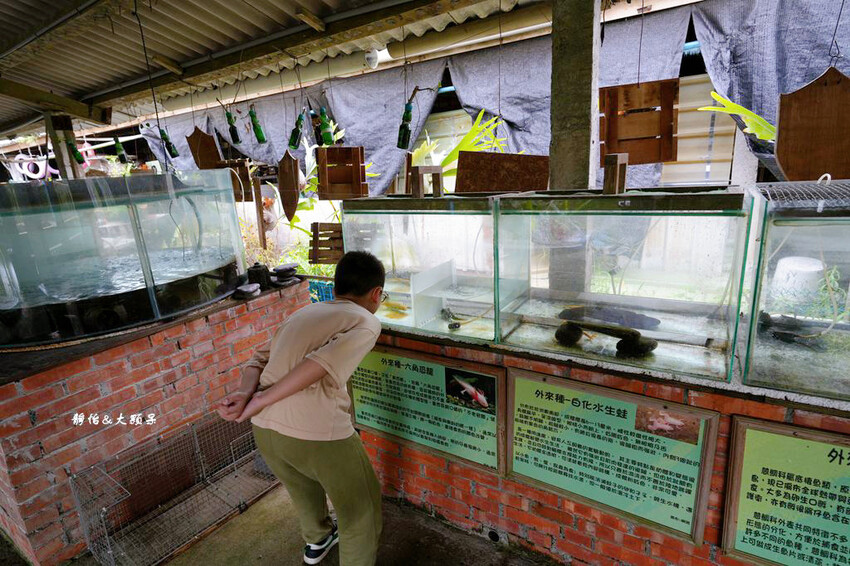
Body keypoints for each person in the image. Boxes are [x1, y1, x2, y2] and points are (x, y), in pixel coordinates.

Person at [217, 251, 385, 566]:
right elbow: (318, 364)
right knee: (361, 510)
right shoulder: (366, 321)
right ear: (376, 294)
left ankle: (317, 540)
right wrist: (259, 400)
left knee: (302, 486)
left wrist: (245, 395)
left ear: (336, 288)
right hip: (318, 436)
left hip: (266, 433)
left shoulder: (305, 313)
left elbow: (257, 360)